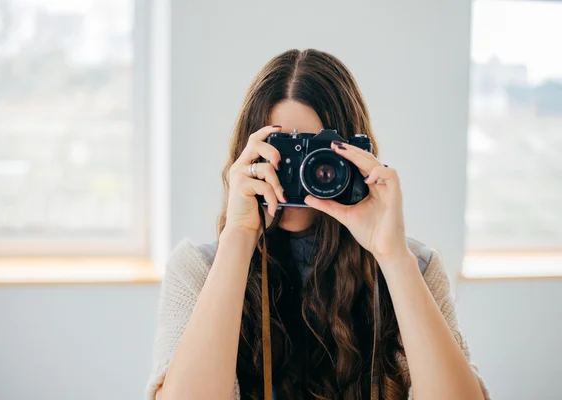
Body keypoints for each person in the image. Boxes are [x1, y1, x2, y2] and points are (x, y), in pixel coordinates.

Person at [146, 49, 489, 400]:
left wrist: (393, 257)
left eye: (316, 155)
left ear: (354, 154)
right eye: (280, 154)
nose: (302, 174)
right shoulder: (198, 271)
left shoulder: (416, 267)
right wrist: (238, 235)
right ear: (246, 159)